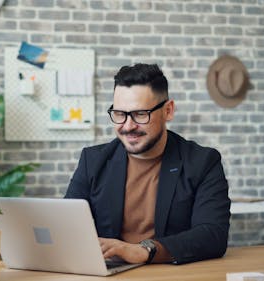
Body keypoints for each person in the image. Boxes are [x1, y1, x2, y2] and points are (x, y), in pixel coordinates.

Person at [65, 63, 230, 265]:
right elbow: (67, 226)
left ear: (168, 110)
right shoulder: (92, 161)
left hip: (171, 275)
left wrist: (145, 250)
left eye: (140, 114)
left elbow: (213, 235)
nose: (127, 126)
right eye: (119, 114)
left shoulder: (202, 162)